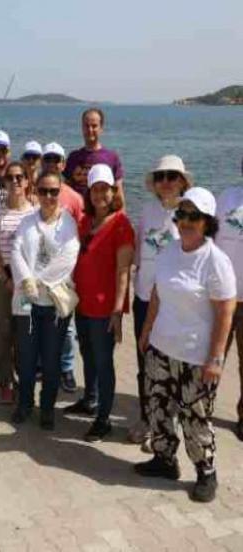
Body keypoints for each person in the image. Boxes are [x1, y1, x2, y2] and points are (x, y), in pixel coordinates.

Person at [137, 187, 236, 503]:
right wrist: (146, 331)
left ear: (207, 221)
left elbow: (225, 310)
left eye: (194, 216)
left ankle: (206, 472)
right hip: (161, 349)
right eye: (182, 215)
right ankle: (164, 461)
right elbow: (156, 293)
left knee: (196, 420)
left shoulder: (216, 261)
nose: (186, 221)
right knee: (159, 410)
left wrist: (216, 358)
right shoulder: (168, 251)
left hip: (196, 357)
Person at [69, 164, 134, 441]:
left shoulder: (121, 224)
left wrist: (117, 311)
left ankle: (104, 418)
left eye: (104, 189)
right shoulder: (84, 221)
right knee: (87, 353)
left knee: (104, 361)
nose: (99, 194)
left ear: (113, 191)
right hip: (82, 304)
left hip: (104, 307)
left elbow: (123, 272)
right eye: (95, 189)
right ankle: (90, 399)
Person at [10, 172, 80, 429]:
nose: (48, 196)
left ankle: (47, 407)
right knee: (26, 358)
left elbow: (67, 259)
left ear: (60, 192)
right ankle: (25, 403)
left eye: (53, 191)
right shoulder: (26, 221)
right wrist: (25, 279)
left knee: (51, 361)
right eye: (43, 191)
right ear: (36, 192)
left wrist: (36, 281)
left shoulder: (69, 224)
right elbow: (16, 250)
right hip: (27, 302)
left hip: (53, 304)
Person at [129, 155, 189, 447]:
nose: (165, 182)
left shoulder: (190, 214)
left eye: (172, 176)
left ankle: (169, 421)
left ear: (182, 181)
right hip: (142, 298)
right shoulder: (147, 211)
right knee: (145, 363)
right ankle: (147, 417)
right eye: (160, 176)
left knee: (171, 367)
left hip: (172, 306)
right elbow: (139, 253)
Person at [0, 162, 35, 404]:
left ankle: (23, 381)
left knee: (24, 334)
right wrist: (5, 278)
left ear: (27, 181)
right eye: (10, 178)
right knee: (1, 332)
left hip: (26, 283)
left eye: (19, 177)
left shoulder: (35, 212)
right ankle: (4, 382)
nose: (15, 181)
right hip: (1, 281)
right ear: (4, 183)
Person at [40, 141, 84, 392]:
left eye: (57, 159)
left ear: (64, 164)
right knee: (40, 320)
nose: (53, 163)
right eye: (48, 159)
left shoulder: (75, 199)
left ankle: (66, 368)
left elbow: (82, 232)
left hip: (66, 273)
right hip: (41, 270)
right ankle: (41, 364)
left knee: (67, 327)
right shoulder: (38, 191)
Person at [216, 155, 243, 440]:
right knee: (213, 356)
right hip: (222, 296)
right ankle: (203, 406)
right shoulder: (226, 198)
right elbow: (209, 238)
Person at [63, 108, 125, 203]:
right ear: (82, 128)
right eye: (86, 126)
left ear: (101, 128)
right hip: (76, 213)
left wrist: (121, 216)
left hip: (101, 213)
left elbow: (118, 194)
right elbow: (66, 190)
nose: (90, 130)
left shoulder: (111, 158)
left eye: (94, 126)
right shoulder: (73, 157)